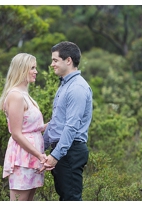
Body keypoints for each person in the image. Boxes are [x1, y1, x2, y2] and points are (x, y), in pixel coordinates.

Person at [41, 41, 92, 201]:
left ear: (68, 60)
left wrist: (55, 156)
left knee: (71, 199)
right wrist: (41, 147)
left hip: (70, 152)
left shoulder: (76, 88)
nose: (52, 64)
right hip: (64, 152)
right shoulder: (65, 85)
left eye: (55, 60)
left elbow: (71, 127)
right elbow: (57, 122)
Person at [0, 53, 48, 201]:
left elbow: (32, 128)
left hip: (33, 158)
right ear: (21, 70)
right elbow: (16, 134)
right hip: (23, 157)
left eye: (35, 68)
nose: (36, 71)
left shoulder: (25, 95)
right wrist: (39, 155)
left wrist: (54, 125)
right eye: (32, 68)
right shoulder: (16, 95)